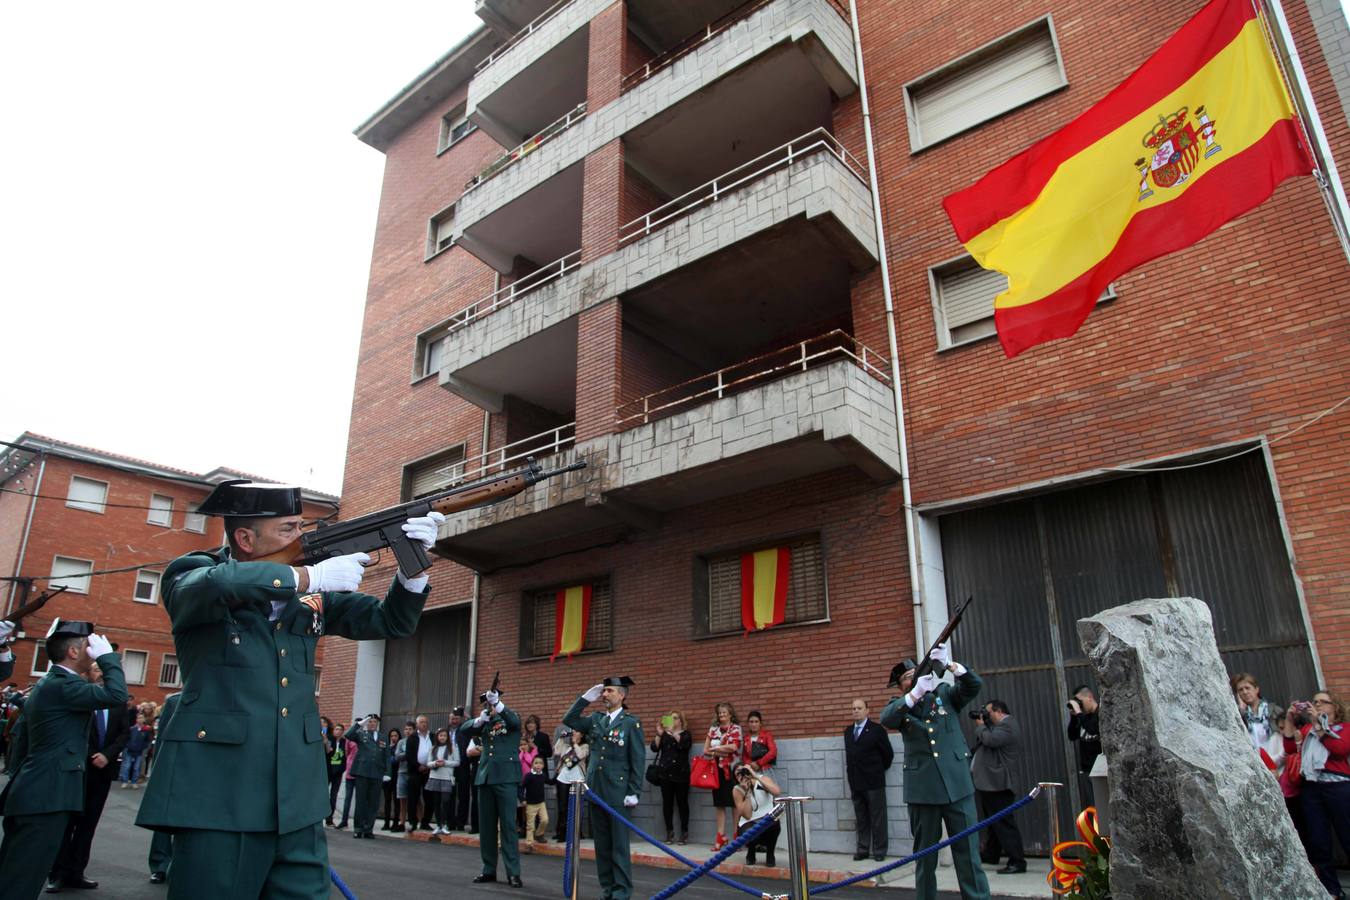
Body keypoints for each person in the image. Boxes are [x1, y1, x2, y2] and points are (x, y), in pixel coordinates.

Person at [134, 480, 443, 899]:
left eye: (302, 526)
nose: (301, 537)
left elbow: (389, 622)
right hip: (221, 797)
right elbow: (217, 586)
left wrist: (413, 572)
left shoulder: (312, 594)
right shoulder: (193, 574)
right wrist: (302, 576)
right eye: (287, 528)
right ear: (245, 537)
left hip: (296, 801)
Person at [0, 619, 126, 900]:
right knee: (21, 879)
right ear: (72, 652)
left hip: (38, 791)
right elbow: (116, 694)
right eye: (88, 647)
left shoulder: (54, 684)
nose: (92, 652)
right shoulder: (64, 685)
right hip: (45, 794)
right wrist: (108, 658)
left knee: (17, 873)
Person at [881, 645, 991, 900]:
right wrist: (914, 695)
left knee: (968, 856)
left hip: (958, 787)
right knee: (925, 859)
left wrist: (952, 666)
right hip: (923, 793)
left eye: (913, 675)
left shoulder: (944, 694)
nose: (911, 680)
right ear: (901, 687)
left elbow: (973, 686)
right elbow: (887, 718)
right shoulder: (899, 706)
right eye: (906, 679)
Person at [48, 661, 132, 892]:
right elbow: (71, 731)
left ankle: (77, 872)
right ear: (88, 673)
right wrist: (90, 755)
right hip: (78, 769)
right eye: (97, 669)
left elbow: (124, 732)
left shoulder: (117, 701)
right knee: (67, 823)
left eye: (105, 671)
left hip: (102, 772)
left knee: (88, 825)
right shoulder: (82, 697)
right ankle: (58, 873)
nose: (102, 674)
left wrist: (106, 755)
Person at [564, 676, 645, 900]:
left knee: (619, 846)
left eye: (609, 691)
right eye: (604, 691)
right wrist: (584, 699)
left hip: (618, 793)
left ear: (622, 695)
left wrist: (634, 792)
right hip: (596, 790)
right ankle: (608, 889)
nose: (605, 694)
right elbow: (569, 719)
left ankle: (622, 892)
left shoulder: (631, 723)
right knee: (602, 846)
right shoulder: (595, 719)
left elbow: (637, 761)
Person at [1284, 690, 1350, 898]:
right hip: (1311, 787)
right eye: (1315, 702)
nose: (1318, 704)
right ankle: (1332, 889)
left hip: (1338, 786)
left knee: (1347, 835)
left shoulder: (1345, 728)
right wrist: (1289, 718)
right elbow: (1288, 748)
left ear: (1335, 707)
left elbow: (1339, 749)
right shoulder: (1307, 729)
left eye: (1323, 702)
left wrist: (1319, 726)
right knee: (1319, 840)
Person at [462, 685, 523, 887]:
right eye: (488, 703)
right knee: (486, 828)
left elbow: (514, 722)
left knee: (508, 827)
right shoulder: (484, 723)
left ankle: (513, 872)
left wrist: (498, 705)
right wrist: (480, 720)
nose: (490, 706)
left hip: (505, 778)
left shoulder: (509, 718)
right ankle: (488, 869)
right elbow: (464, 730)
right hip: (485, 778)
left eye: (493, 702)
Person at [970, 700, 1026, 874]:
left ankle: (1017, 861)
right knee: (993, 822)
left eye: (988, 713)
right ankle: (991, 854)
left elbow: (990, 740)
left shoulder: (1008, 725)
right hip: (989, 783)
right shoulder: (997, 726)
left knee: (1004, 823)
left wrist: (980, 726)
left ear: (998, 710)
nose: (986, 716)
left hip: (999, 784)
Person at [844, 697, 893, 861]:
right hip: (856, 782)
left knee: (878, 818)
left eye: (859, 708)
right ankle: (863, 849)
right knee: (861, 818)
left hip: (873, 782)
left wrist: (877, 770)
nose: (856, 711)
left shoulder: (877, 730)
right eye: (853, 708)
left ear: (867, 711)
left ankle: (879, 851)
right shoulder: (848, 732)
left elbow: (888, 754)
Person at [146, 692, 180, 884]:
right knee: (164, 823)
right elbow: (162, 741)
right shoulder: (174, 702)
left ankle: (178, 864)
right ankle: (159, 865)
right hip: (174, 768)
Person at [705, 702, 742, 851]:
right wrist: (720, 750)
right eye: (720, 713)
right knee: (719, 804)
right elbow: (706, 750)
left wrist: (717, 748)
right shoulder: (713, 729)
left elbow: (734, 748)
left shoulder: (736, 729)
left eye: (724, 713)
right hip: (717, 770)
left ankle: (736, 836)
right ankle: (721, 836)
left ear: (730, 714)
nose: (721, 715)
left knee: (734, 804)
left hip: (732, 769)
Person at [651, 710, 692, 844]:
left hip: (681, 774)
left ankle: (684, 833)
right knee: (667, 804)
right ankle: (669, 832)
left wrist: (673, 732)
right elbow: (654, 748)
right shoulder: (664, 735)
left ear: (680, 721)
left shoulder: (686, 734)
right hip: (665, 774)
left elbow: (684, 745)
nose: (672, 720)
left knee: (682, 804)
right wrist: (659, 733)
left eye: (675, 718)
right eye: (670, 718)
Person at [345, 714, 389, 839]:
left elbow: (386, 756)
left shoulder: (382, 737)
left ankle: (368, 829)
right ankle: (358, 828)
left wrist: (387, 773)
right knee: (361, 801)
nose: (372, 724)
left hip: (377, 773)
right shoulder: (361, 734)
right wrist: (359, 724)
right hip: (362, 772)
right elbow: (348, 735)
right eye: (370, 721)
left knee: (373, 803)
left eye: (374, 722)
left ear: (377, 723)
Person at [732, 761, 782, 867]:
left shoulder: (762, 779)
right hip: (750, 822)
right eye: (738, 774)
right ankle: (751, 851)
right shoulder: (737, 790)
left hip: (767, 819)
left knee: (775, 823)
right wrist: (747, 792)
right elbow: (747, 815)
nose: (742, 775)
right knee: (749, 832)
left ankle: (770, 854)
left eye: (744, 771)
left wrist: (756, 777)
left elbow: (777, 792)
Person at [552, 728, 589, 841]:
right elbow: (556, 751)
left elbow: (581, 755)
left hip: (577, 778)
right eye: (572, 731)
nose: (573, 733)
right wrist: (561, 738)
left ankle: (577, 832)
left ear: (581, 735)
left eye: (576, 731)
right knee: (563, 806)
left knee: (576, 806)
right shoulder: (566, 747)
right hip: (563, 778)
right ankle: (562, 832)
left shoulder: (585, 746)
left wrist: (575, 744)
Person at [1066, 685, 1101, 803]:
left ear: (1090, 697)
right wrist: (1074, 717)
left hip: (1101, 771)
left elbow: (1093, 729)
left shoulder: (1100, 713)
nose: (1079, 705)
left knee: (1103, 807)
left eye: (1080, 701)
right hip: (1087, 771)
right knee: (1093, 809)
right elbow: (1072, 735)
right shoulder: (1083, 717)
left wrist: (1079, 713)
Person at [1232, 672, 1283, 752]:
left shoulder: (1274, 711)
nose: (1245, 692)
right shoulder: (1237, 715)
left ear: (1256, 689)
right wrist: (1242, 711)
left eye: (1247, 688)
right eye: (1240, 690)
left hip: (1275, 758)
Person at [426, 727, 459, 836]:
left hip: (446, 777)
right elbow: (428, 763)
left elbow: (457, 762)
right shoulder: (433, 748)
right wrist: (435, 763)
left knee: (445, 801)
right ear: (437, 737)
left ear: (447, 737)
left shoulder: (452, 748)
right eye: (440, 735)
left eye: (444, 736)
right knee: (436, 801)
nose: (442, 737)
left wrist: (445, 762)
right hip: (435, 776)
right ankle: (438, 825)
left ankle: (444, 824)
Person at [451, 706, 479, 833]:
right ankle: (450, 821)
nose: (454, 720)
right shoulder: (446, 731)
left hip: (463, 766)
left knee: (463, 796)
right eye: (452, 718)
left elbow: (475, 727)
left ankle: (461, 822)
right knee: (450, 795)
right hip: (449, 766)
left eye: (457, 718)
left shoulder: (465, 730)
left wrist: (468, 717)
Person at [409, 714, 434, 831]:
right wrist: (418, 766)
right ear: (417, 724)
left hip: (430, 771)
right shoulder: (412, 737)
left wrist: (429, 766)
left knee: (429, 798)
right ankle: (413, 822)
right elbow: (409, 755)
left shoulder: (433, 736)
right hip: (416, 771)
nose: (424, 724)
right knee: (414, 797)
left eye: (425, 722)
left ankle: (426, 822)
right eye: (421, 722)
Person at [119, 711, 153, 789]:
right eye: (138, 718)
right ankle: (125, 781)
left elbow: (148, 741)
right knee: (127, 766)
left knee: (136, 767)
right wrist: (127, 746)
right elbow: (127, 739)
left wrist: (143, 748)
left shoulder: (146, 730)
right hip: (129, 750)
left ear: (144, 719)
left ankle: (134, 782)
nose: (140, 719)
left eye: (141, 718)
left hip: (139, 751)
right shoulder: (132, 729)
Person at [521, 755, 550, 843]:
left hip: (541, 803)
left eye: (540, 763)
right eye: (536, 763)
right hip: (530, 804)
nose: (538, 765)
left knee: (545, 820)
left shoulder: (543, 775)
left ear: (543, 766)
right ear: (532, 764)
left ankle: (538, 834)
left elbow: (551, 782)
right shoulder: (529, 776)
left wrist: (559, 775)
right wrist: (523, 799)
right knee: (530, 825)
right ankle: (529, 843)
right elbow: (521, 787)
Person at [394, 720, 416, 831]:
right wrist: (408, 754)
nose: (408, 731)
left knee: (417, 799)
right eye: (406, 729)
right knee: (402, 798)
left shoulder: (417, 741)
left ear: (414, 730)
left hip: (413, 772)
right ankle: (402, 822)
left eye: (410, 729)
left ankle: (418, 821)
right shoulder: (401, 742)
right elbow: (397, 756)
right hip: (402, 772)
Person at [324, 721, 347, 826]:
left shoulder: (344, 742)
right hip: (328, 770)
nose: (338, 731)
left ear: (343, 732)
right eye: (336, 729)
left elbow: (346, 757)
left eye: (340, 730)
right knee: (324, 794)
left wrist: (343, 768)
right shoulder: (329, 740)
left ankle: (329, 818)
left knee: (334, 796)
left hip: (338, 772)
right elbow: (327, 752)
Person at [381, 727, 401, 831]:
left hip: (397, 775)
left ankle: (395, 822)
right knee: (387, 800)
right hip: (387, 776)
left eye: (395, 736)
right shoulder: (386, 747)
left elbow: (396, 759)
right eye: (391, 736)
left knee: (396, 800)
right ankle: (386, 822)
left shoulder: (400, 746)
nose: (393, 738)